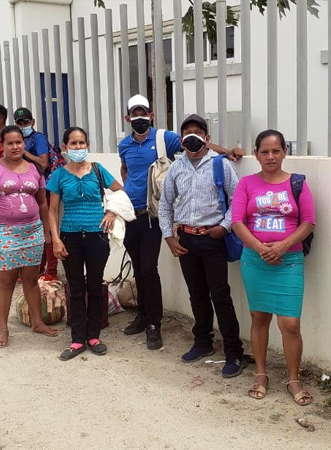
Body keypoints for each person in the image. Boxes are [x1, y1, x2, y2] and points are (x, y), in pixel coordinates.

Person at [117, 94, 243, 350]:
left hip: (166, 222)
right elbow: (126, 170)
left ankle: (156, 323)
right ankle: (192, 338)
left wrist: (227, 151)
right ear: (128, 117)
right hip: (135, 215)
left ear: (151, 115)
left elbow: (236, 198)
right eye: (135, 113)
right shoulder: (128, 147)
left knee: (152, 270)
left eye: (144, 113)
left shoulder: (168, 140)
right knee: (146, 273)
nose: (139, 118)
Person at [231, 129, 316, 405]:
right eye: (264, 151)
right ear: (255, 154)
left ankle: (294, 379)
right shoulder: (246, 184)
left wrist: (281, 246)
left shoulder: (298, 184)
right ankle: (260, 374)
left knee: (290, 323)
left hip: (289, 261)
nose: (270, 156)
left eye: (276, 151)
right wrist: (261, 249)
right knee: (259, 318)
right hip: (255, 261)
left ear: (284, 152)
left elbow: (309, 222)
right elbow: (237, 222)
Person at [158, 114, 246, 377]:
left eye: (197, 132)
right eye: (187, 134)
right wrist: (169, 237)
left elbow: (237, 201)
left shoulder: (220, 165)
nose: (192, 137)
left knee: (220, 296)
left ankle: (234, 351)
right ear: (181, 139)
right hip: (186, 240)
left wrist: (224, 227)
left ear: (207, 138)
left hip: (213, 239)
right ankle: (203, 342)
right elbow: (165, 205)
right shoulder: (176, 168)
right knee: (196, 294)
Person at [47, 127, 124, 360]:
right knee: (76, 287)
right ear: (65, 148)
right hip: (69, 237)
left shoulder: (98, 171)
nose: (78, 147)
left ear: (87, 145)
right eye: (73, 143)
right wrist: (56, 240)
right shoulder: (58, 175)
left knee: (95, 286)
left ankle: (94, 336)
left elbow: (120, 192)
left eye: (82, 143)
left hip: (97, 236)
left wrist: (111, 211)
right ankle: (78, 339)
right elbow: (51, 211)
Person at [0, 125, 58, 348]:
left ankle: (37, 322)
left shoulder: (34, 169)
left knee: (32, 279)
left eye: (19, 142)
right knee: (6, 281)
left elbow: (43, 202)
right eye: (10, 143)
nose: (15, 146)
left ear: (24, 143)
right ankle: (2, 329)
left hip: (32, 231)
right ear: (1, 145)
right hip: (4, 232)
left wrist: (46, 231)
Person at [14, 107, 59, 278]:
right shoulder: (16, 140)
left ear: (32, 122)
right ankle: (35, 269)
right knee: (32, 229)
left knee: (46, 229)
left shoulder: (37, 138)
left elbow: (44, 162)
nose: (23, 125)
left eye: (26, 122)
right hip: (26, 190)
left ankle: (51, 271)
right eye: (20, 123)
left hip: (44, 188)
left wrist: (24, 152)